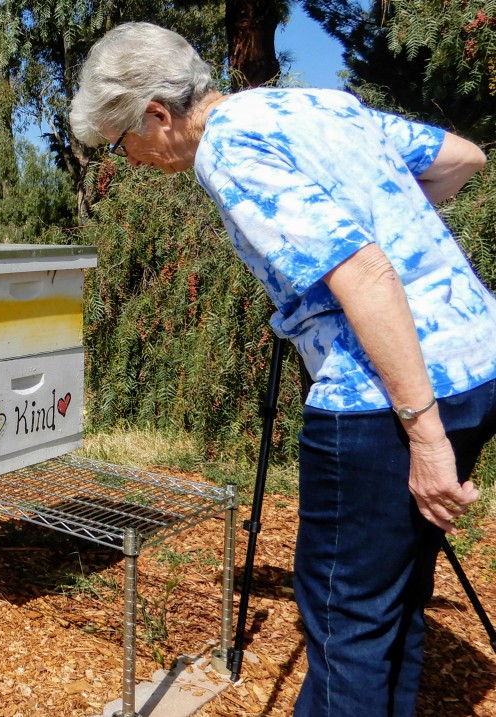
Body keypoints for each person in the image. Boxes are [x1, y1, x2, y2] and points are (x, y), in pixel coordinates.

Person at [71, 22, 496, 717]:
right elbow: (463, 159)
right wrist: (389, 215)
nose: (131, 159)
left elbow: (363, 270)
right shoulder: (313, 104)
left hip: (381, 399)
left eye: (122, 144)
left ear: (157, 114)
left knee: (346, 627)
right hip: (478, 363)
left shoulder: (227, 151)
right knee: (395, 603)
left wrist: (422, 436)